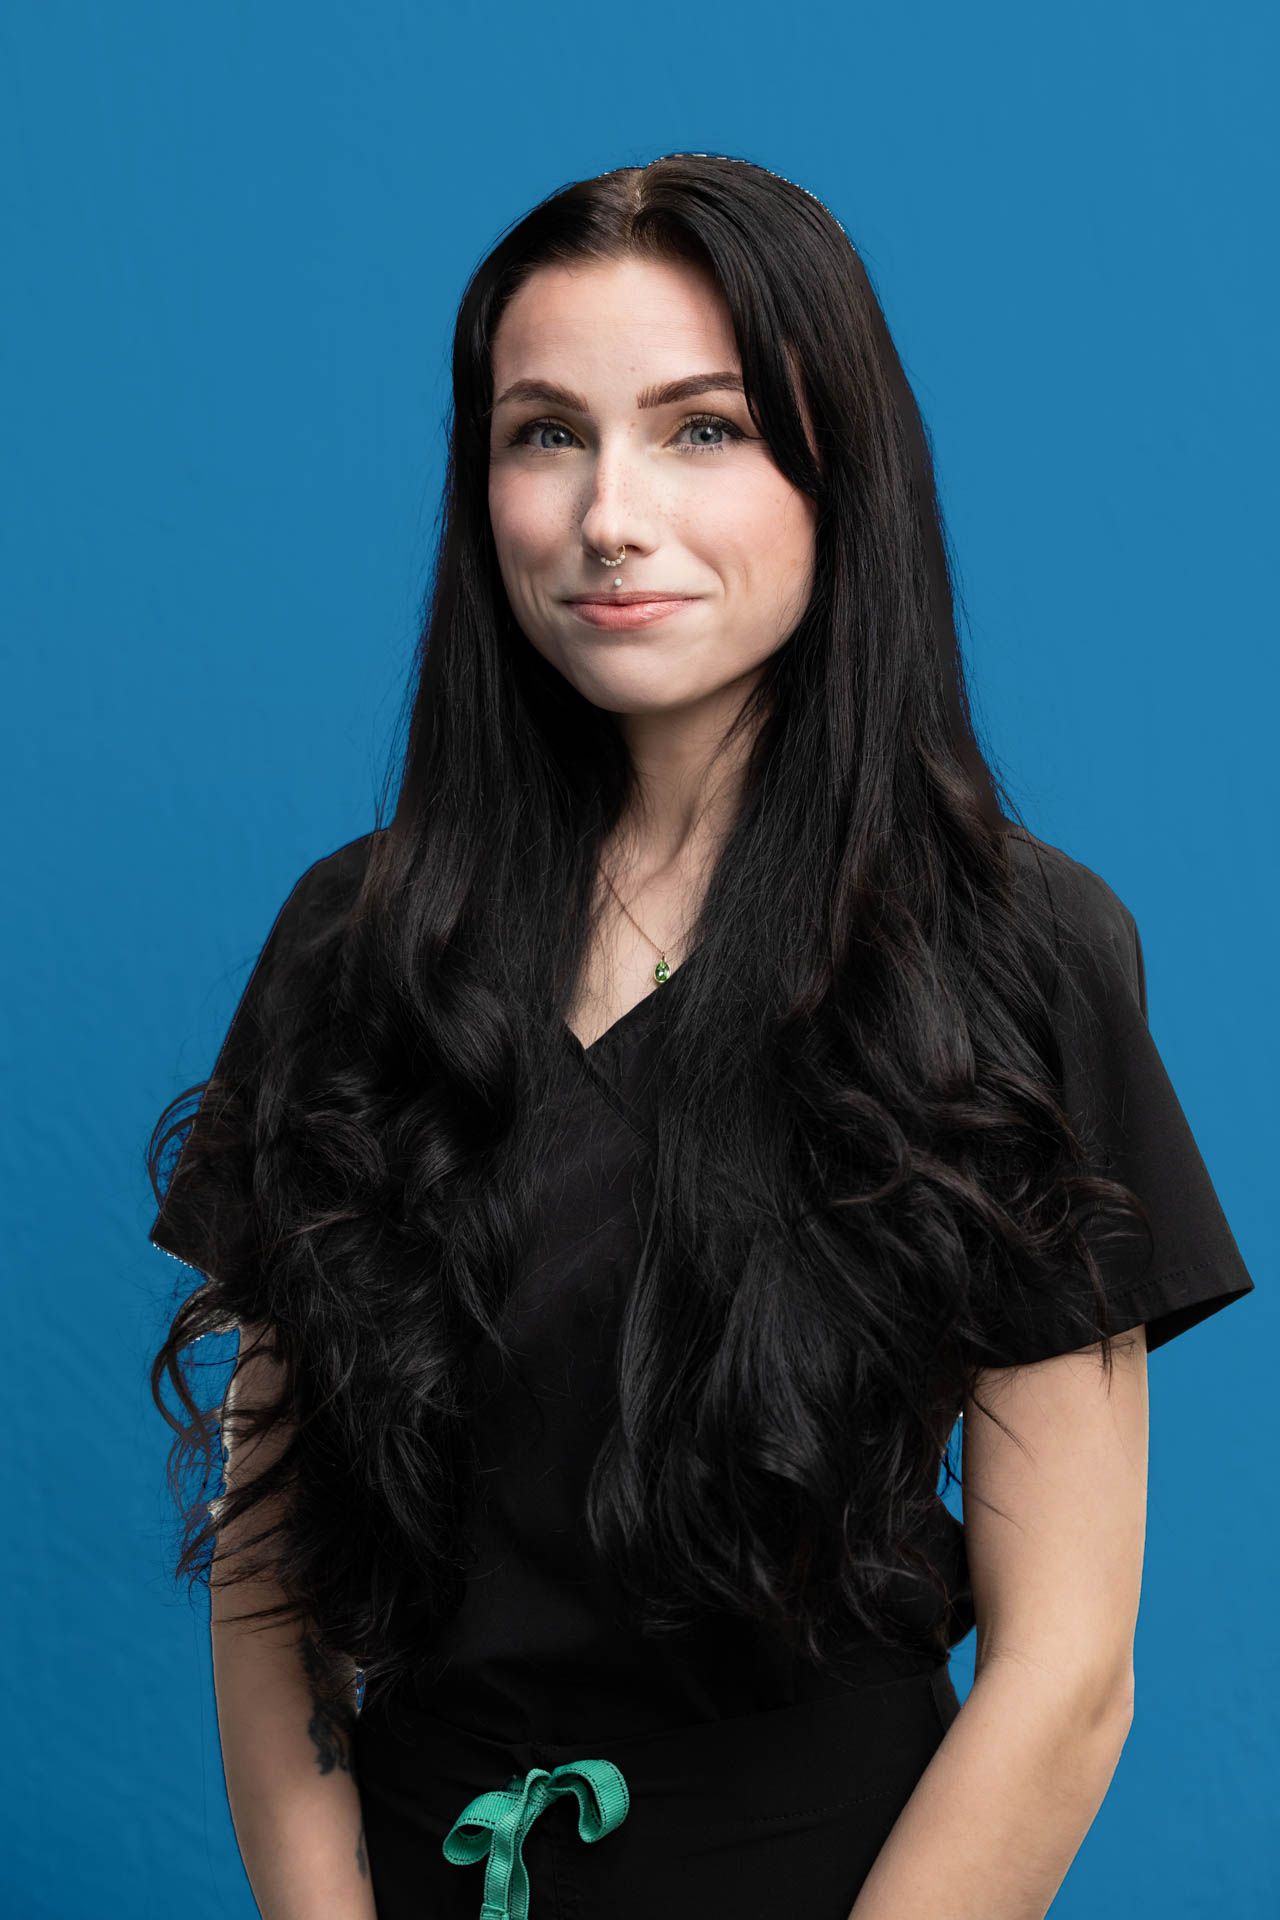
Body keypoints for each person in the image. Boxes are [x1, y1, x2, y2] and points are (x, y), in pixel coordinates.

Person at [146, 154, 1255, 1920]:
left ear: (841, 474)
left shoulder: (1016, 954)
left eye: (703, 429)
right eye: (543, 433)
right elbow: (271, 1580)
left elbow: (1068, 1676)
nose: (607, 514)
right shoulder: (357, 942)